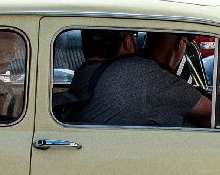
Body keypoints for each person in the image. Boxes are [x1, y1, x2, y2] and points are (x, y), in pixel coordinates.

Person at [67, 30, 211, 127]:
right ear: (128, 41)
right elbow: (209, 112)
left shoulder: (83, 74)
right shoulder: (142, 73)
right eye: (135, 38)